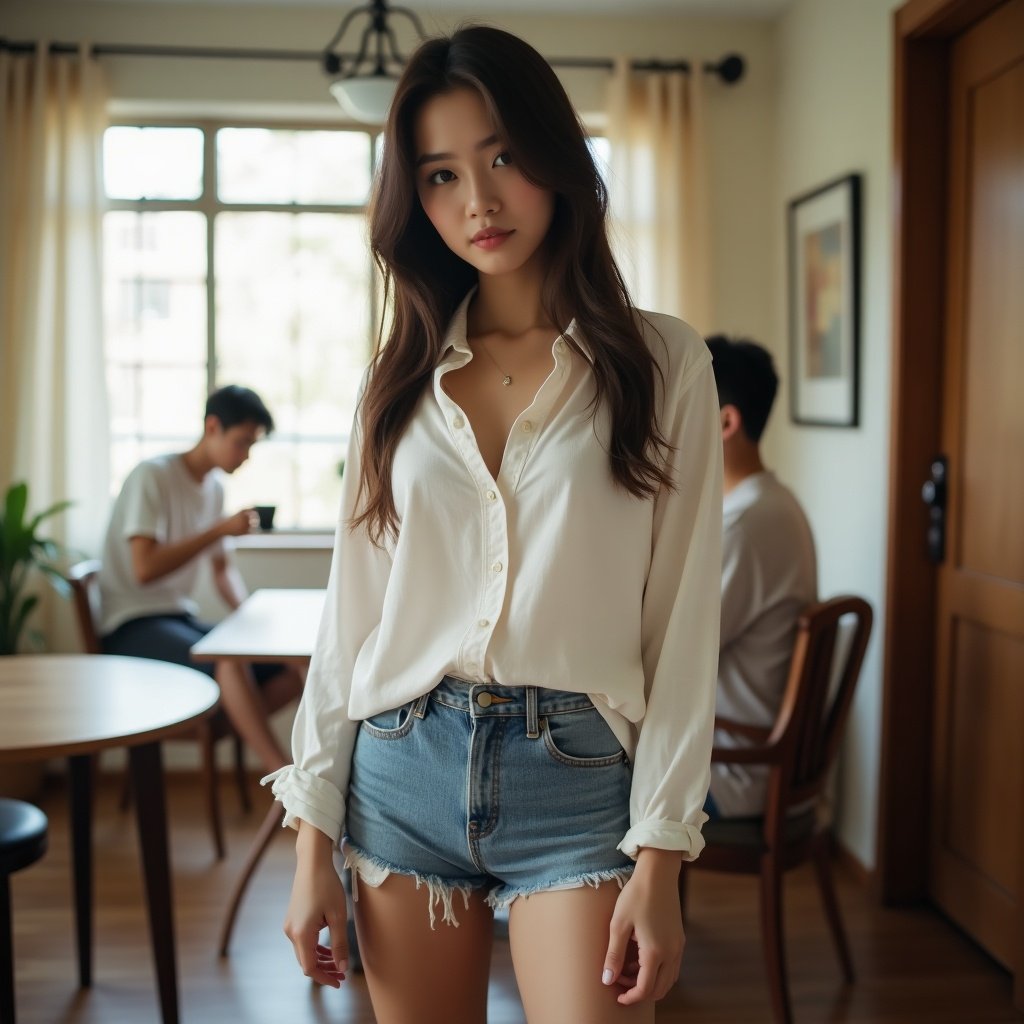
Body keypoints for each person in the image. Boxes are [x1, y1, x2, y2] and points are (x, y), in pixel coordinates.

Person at [263, 26, 722, 1023]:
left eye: (502, 156)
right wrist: (309, 842)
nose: (476, 201)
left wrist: (662, 854)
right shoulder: (396, 383)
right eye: (439, 175)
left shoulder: (661, 362)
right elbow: (352, 621)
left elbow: (681, 626)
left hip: (576, 777)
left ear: (557, 158)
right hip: (400, 770)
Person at [98, 385, 303, 772]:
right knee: (230, 662)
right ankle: (282, 777)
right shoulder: (153, 476)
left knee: (292, 664)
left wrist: (249, 616)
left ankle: (235, 725)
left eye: (252, 446)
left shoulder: (213, 489)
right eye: (242, 442)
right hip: (129, 623)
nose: (245, 456)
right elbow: (145, 569)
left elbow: (221, 569)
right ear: (212, 427)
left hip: (177, 617)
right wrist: (218, 530)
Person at [703, 335, 818, 820]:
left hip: (735, 771)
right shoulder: (771, 503)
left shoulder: (747, 525)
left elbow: (678, 650)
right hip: (750, 755)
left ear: (727, 422)